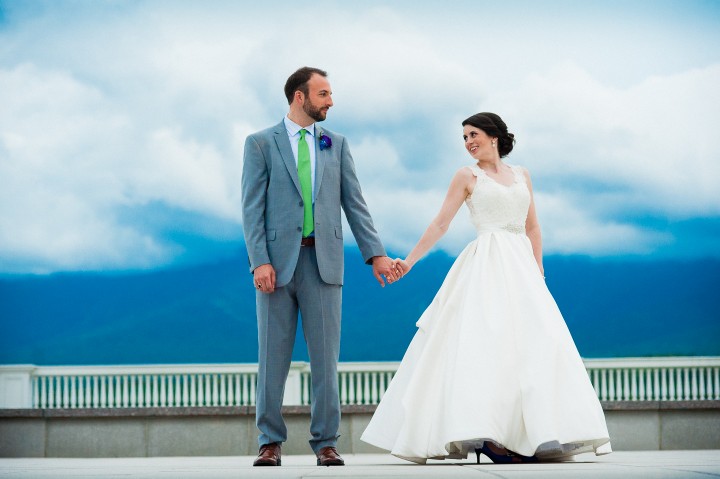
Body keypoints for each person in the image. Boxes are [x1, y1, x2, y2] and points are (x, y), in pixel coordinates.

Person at [361, 112, 611, 464]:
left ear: (494, 136)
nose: (468, 142)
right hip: (486, 264)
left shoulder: (522, 175)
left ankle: (530, 434)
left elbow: (533, 227)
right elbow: (440, 223)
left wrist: (538, 273)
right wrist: (410, 261)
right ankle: (487, 437)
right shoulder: (466, 176)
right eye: (464, 137)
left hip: (523, 268)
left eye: (473, 134)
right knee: (485, 345)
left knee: (536, 345)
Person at [241, 66, 401, 467]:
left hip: (325, 263)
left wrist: (376, 253)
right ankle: (270, 443)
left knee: (326, 361)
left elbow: (355, 203)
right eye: (324, 94)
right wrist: (259, 260)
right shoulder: (261, 143)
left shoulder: (336, 143)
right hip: (275, 266)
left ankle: (326, 442)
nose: (331, 101)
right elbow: (251, 208)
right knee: (271, 357)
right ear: (300, 96)